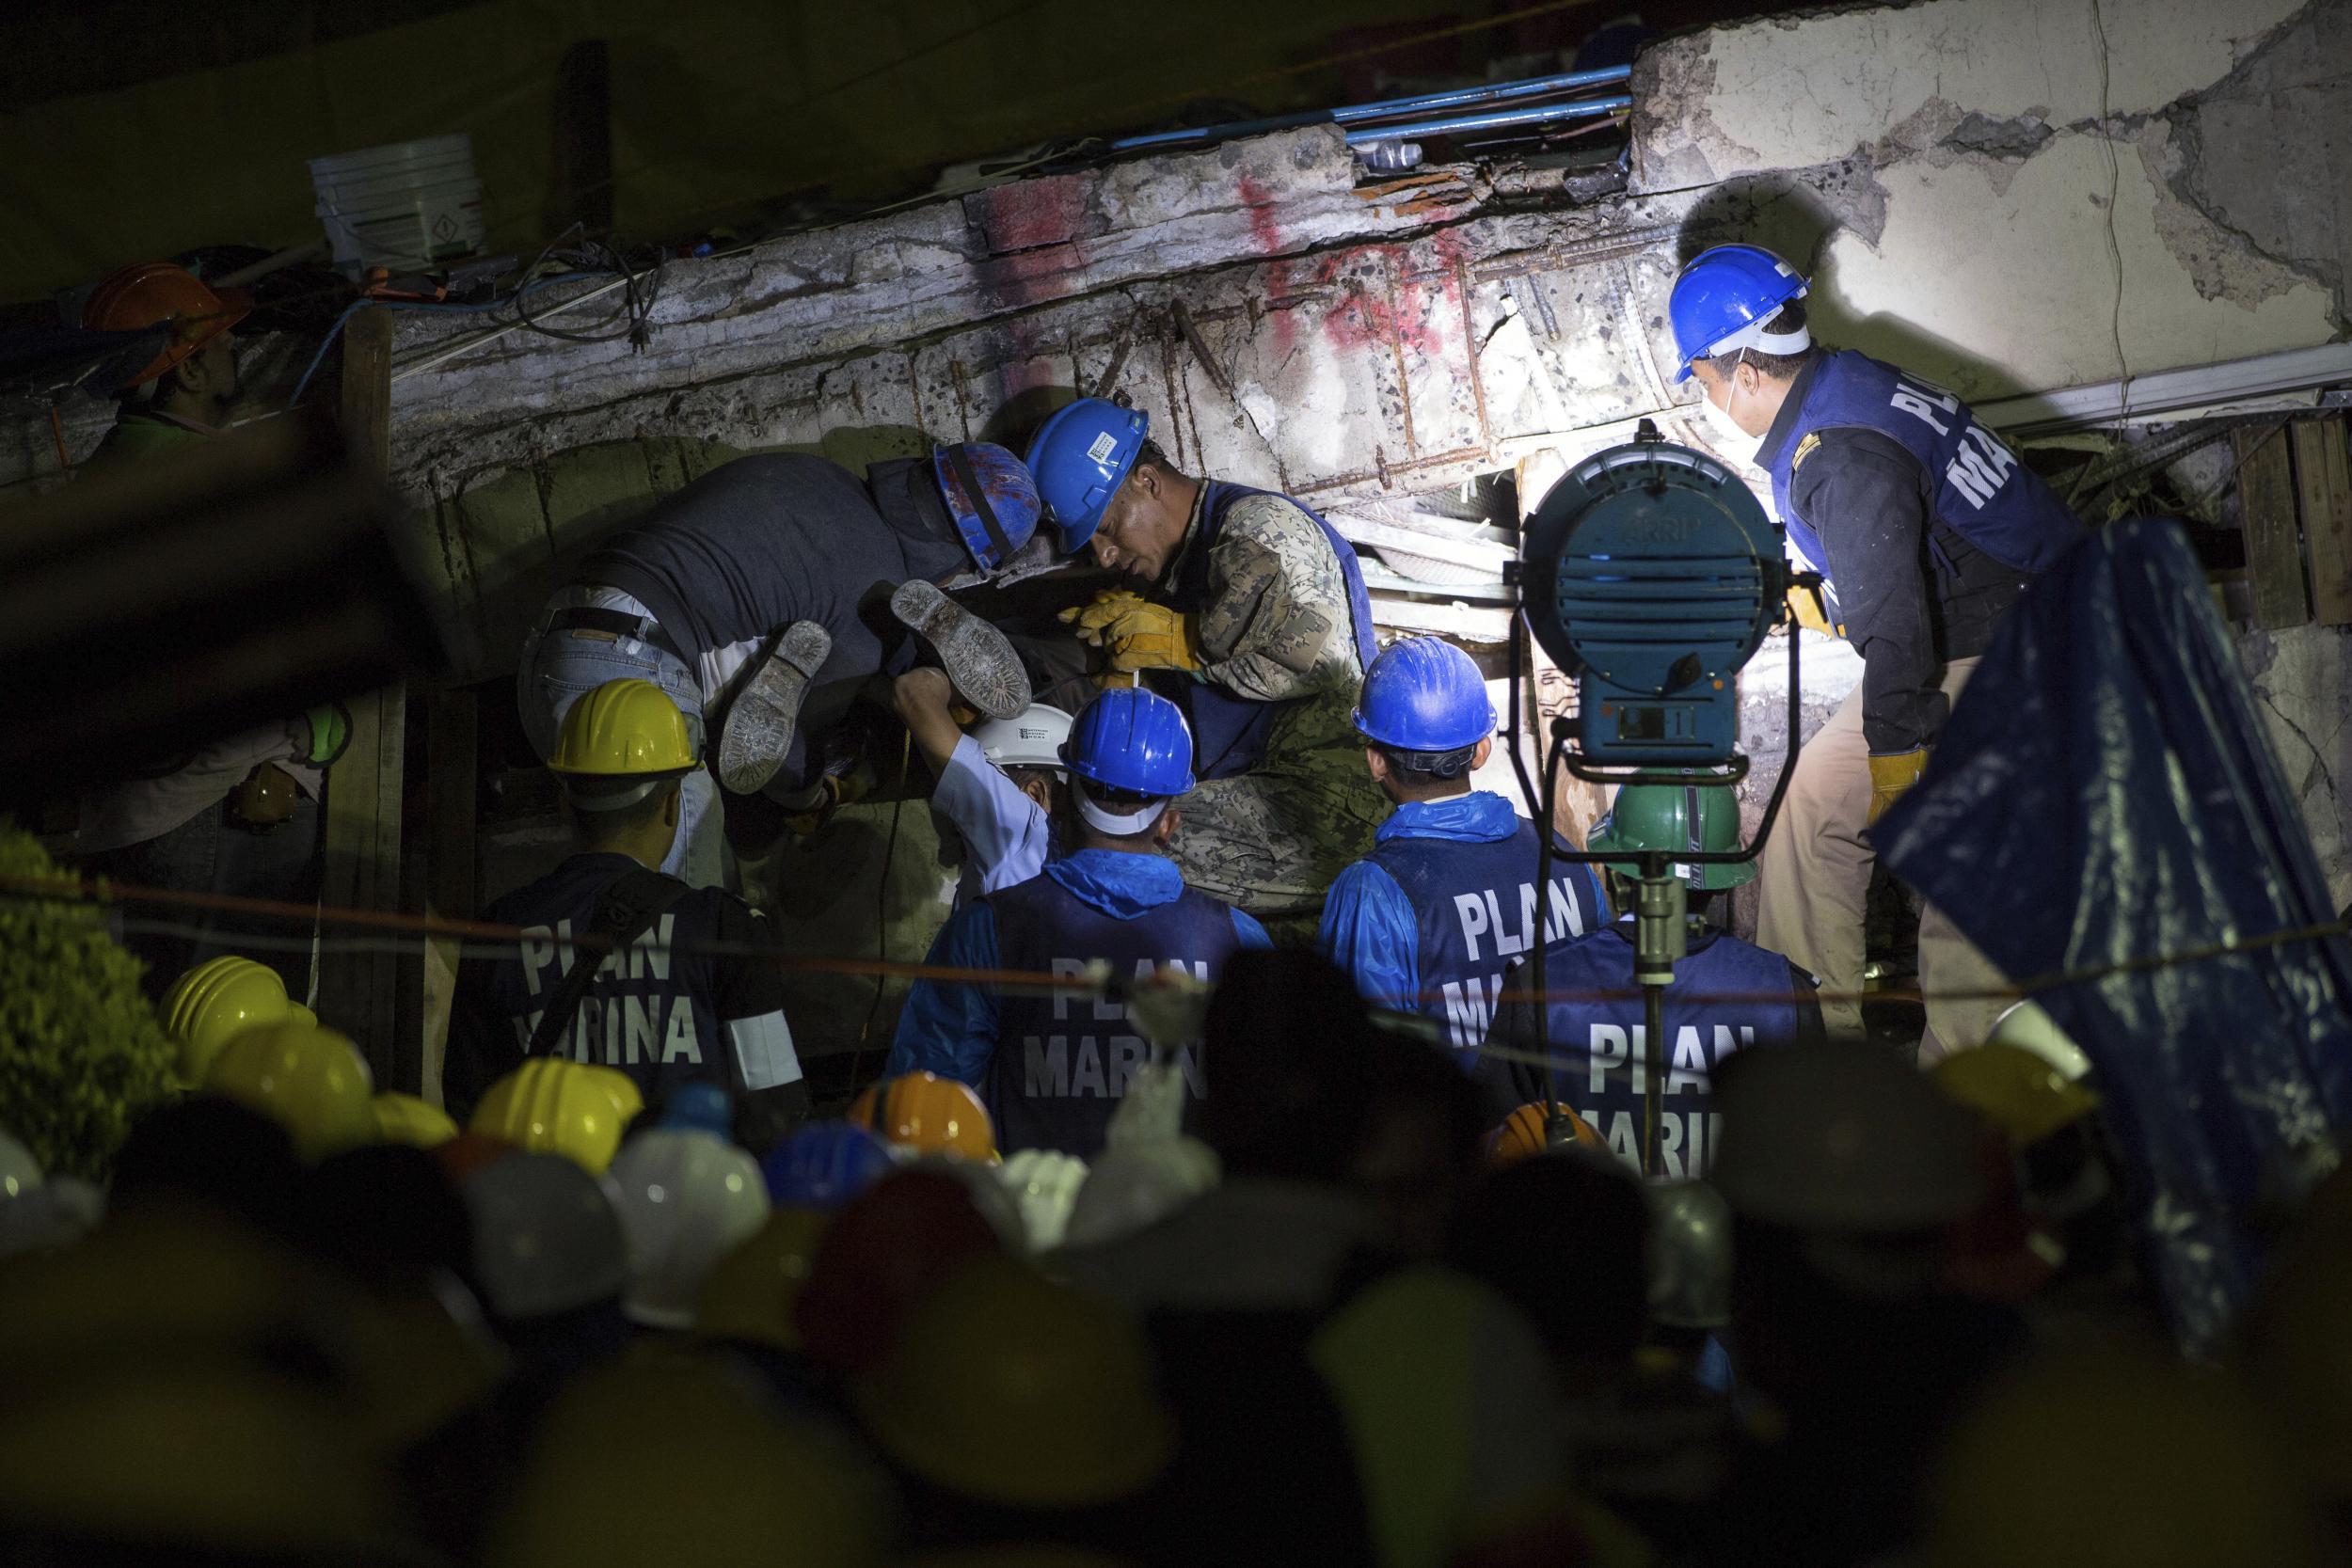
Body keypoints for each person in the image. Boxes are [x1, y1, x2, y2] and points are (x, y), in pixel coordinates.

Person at [1668, 244, 2082, 1052]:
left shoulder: (1839, 453)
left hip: (2028, 641)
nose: (1711, 399)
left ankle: (1959, 1112)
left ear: (1746, 372)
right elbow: (1908, 550)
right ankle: (1815, 1048)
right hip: (1972, 626)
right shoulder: (1842, 382)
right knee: (1814, 806)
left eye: (1707, 382)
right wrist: (1826, 598)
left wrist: (1900, 762)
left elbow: (1898, 625)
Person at [518, 438, 1058, 886]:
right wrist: (812, 793)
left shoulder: (813, 472)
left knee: (604, 892)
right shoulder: (874, 590)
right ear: (961, 566)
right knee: (683, 915)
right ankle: (923, 683)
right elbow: (777, 754)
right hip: (635, 676)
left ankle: (911, 675)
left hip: (553, 646)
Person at [69, 261, 345, 1001]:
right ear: (186, 371)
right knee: (245, 1035)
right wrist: (319, 740)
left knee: (160, 1026)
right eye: (222, 347)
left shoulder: (83, 497)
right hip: (228, 808)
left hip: (120, 825)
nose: (233, 357)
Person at [1030, 398, 1390, 924]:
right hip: (1262, 788)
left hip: (1326, 805)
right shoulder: (1176, 571)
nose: (1104, 556)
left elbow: (1319, 656)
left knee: (1101, 845)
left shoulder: (1258, 527)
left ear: (1147, 481)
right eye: (1093, 545)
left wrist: (1184, 643)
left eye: (1107, 527)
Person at [886, 686, 1270, 1158]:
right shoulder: (1240, 942)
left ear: (1063, 800)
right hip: (1191, 1225)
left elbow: (920, 1112)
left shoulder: (989, 931)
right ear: (1169, 823)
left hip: (1042, 1224)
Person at [445, 679, 807, 1149]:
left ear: (565, 803)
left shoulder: (495, 932)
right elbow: (779, 1108)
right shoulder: (724, 927)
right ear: (673, 805)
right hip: (691, 1210)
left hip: (553, 1210)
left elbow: (469, 1117)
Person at [1487, 776, 1824, 1178]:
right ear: (1720, 884)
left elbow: (1499, 1140)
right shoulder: (1787, 992)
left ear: (1618, 873)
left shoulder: (1537, 985)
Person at [1319, 637, 1607, 1066]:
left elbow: (1363, 1063)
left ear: (1376, 761)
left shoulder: (1372, 890)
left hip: (1457, 1128)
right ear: (1481, 752)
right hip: (1572, 1123)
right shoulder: (1565, 858)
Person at [890, 666, 1067, 905]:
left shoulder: (1024, 840)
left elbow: (913, 692)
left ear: (1034, 794)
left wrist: (972, 679)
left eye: (990, 774)